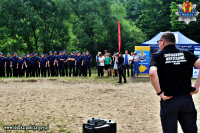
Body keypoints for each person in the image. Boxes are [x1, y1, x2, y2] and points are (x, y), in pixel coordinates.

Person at [149, 31, 200, 133]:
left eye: (159, 41)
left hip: (169, 100)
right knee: (191, 131)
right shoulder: (185, 53)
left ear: (163, 42)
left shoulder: (158, 55)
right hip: (186, 100)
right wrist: (197, 85)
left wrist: (159, 92)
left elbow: (152, 73)